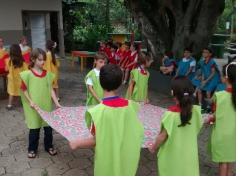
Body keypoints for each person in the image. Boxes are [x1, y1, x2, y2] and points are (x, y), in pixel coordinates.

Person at [70, 64, 144, 176]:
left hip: (107, 161)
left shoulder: (97, 112)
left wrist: (77, 143)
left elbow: (96, 140)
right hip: (126, 158)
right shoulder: (131, 106)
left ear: (100, 83)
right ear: (120, 84)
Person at [148, 76, 202, 176]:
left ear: (173, 93)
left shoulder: (171, 115)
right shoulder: (196, 111)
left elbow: (162, 137)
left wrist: (153, 147)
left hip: (172, 157)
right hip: (189, 156)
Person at [20, 48, 61, 158]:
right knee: (34, 129)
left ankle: (49, 146)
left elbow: (51, 89)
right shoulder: (27, 74)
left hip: (46, 107)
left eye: (44, 60)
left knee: (48, 129)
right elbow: (23, 89)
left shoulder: (47, 74)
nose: (42, 62)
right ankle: (32, 148)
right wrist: (30, 102)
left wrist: (56, 102)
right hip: (34, 108)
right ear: (33, 59)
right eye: (40, 60)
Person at [208, 62, 236, 176]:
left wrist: (209, 120)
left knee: (223, 162)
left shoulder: (219, 96)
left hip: (222, 135)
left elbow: (215, 116)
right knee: (230, 159)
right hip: (234, 135)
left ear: (226, 78)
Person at [5, 44, 28, 110]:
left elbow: (6, 69)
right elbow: (26, 70)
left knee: (12, 92)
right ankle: (24, 103)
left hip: (12, 80)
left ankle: (9, 105)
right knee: (22, 91)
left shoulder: (9, 60)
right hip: (20, 79)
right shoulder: (22, 61)